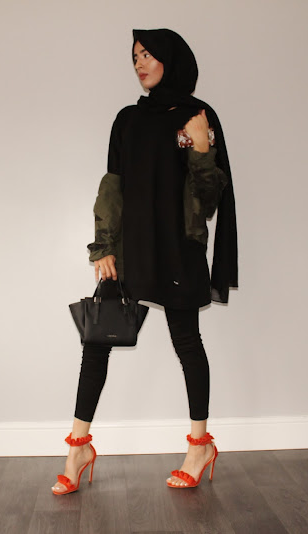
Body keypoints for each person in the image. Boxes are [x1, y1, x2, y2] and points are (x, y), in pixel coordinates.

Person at [52, 28, 238, 495]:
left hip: (178, 247)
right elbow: (112, 185)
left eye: (148, 54)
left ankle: (200, 446)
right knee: (97, 339)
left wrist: (201, 149)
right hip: (131, 245)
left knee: (186, 341)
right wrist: (104, 245)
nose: (139, 63)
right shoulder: (127, 119)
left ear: (171, 60)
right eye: (134, 55)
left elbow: (209, 199)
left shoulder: (197, 116)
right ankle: (77, 449)